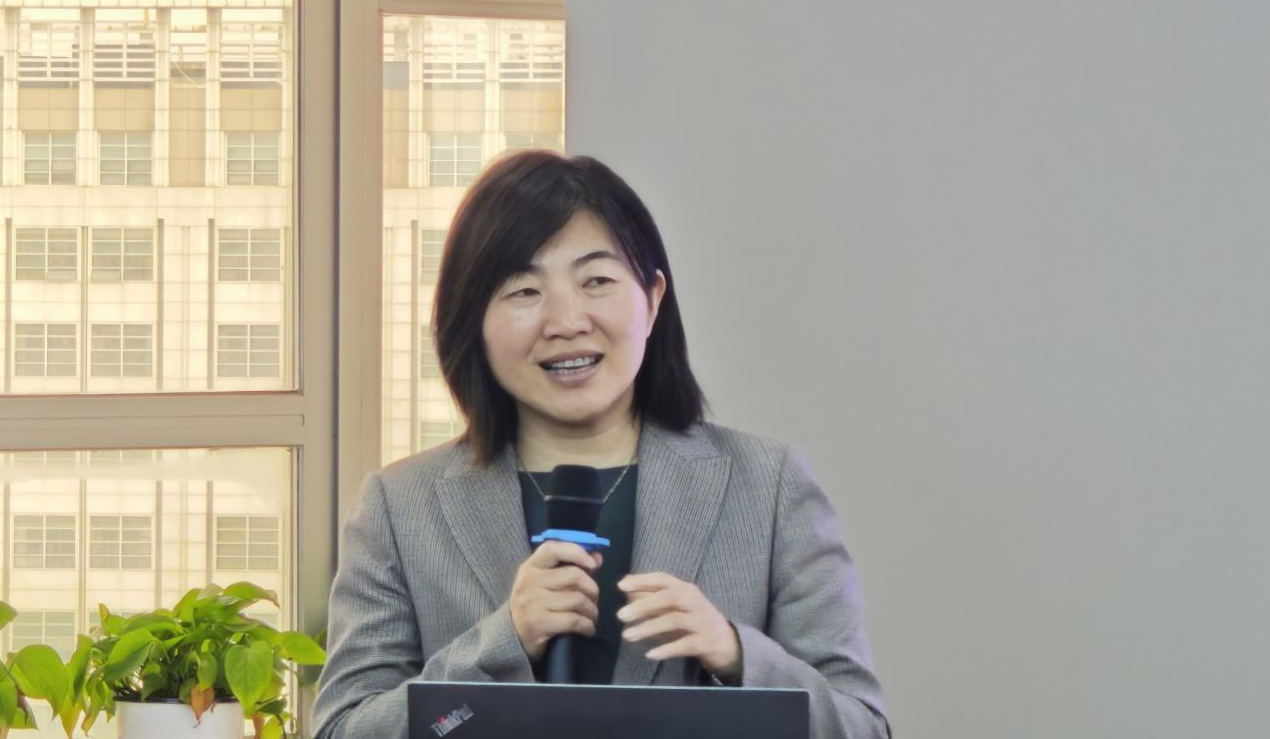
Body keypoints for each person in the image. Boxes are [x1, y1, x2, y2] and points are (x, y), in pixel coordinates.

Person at [312, 151, 890, 739]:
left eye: (597, 281)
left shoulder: (769, 485)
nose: (566, 321)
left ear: (653, 299)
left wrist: (736, 655)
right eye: (523, 290)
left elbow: (862, 727)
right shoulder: (400, 507)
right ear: (474, 320)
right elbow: (345, 729)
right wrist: (501, 644)